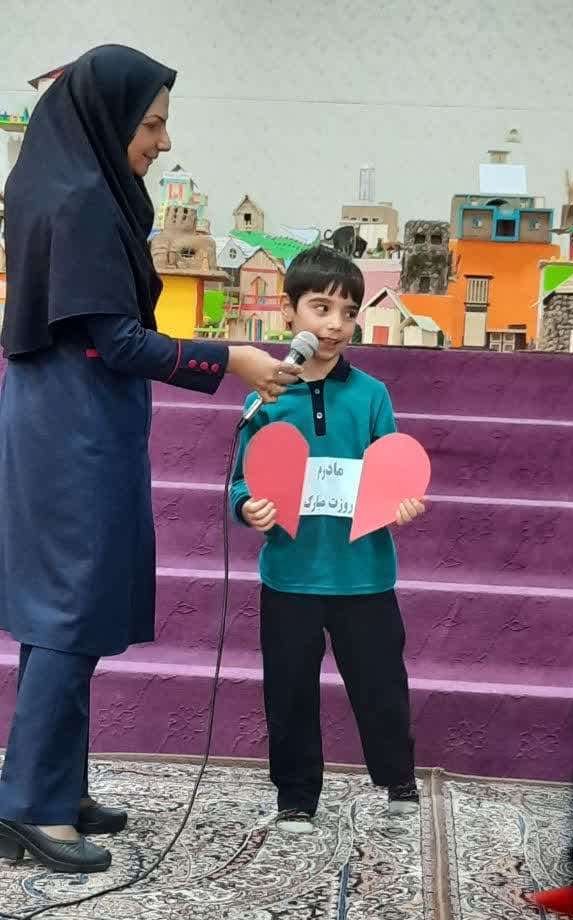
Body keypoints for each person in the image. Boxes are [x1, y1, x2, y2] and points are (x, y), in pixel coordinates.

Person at [0, 45, 299, 876]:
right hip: (72, 426)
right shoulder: (82, 203)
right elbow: (118, 339)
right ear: (111, 116)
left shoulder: (59, 183)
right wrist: (231, 359)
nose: (163, 143)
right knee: (69, 609)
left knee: (68, 608)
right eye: (153, 123)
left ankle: (50, 784)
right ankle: (31, 806)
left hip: (65, 413)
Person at [230, 245, 425, 835]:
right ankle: (295, 796)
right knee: (288, 690)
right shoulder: (264, 400)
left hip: (364, 574)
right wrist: (248, 506)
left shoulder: (372, 395)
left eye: (348, 311)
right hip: (290, 575)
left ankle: (397, 777)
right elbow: (242, 479)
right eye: (321, 308)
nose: (336, 324)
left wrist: (401, 501)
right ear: (288, 311)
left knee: (381, 684)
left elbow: (391, 470)